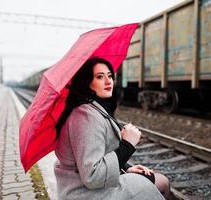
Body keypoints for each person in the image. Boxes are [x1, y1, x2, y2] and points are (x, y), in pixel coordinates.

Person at [54, 57, 170, 200]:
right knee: (162, 183)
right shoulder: (85, 117)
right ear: (87, 82)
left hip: (83, 188)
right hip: (86, 193)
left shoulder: (92, 108)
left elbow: (95, 155)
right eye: (100, 77)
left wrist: (126, 167)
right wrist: (127, 145)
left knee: (155, 179)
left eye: (110, 76)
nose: (108, 81)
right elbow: (93, 176)